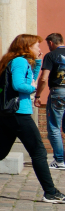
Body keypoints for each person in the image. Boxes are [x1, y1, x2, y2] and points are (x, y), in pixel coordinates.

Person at [0, 34, 65, 203]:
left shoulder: (14, 61)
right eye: (36, 46)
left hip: (9, 113)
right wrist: (33, 89)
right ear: (26, 47)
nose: (39, 49)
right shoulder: (20, 62)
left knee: (0, 151)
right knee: (39, 152)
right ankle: (50, 192)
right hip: (18, 113)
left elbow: (30, 77)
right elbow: (19, 85)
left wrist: (39, 63)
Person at [35, 32, 65, 169]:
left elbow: (43, 78)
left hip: (58, 92)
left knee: (54, 127)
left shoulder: (51, 55)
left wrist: (37, 95)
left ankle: (59, 160)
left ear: (51, 43)